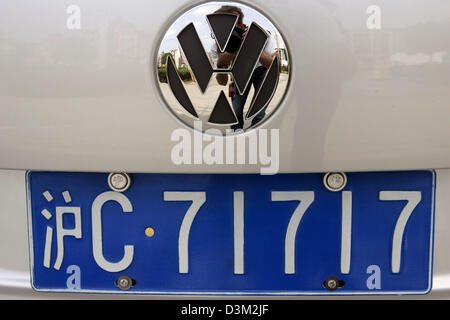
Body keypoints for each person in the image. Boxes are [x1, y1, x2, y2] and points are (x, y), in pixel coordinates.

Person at [209, 5, 279, 130]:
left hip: (261, 70)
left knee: (259, 110)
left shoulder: (259, 35)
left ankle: (256, 133)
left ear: (241, 26)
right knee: (236, 110)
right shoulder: (216, 47)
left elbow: (274, 67)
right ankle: (236, 133)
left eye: (234, 24)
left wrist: (253, 46)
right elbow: (222, 82)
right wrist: (221, 64)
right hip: (238, 73)